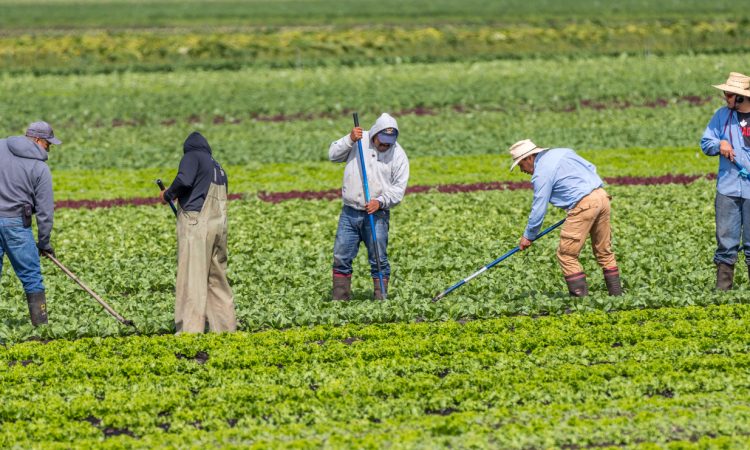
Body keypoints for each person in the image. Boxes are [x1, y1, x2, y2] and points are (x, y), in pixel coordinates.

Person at [510, 139, 622, 297]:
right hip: (602, 196)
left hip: (584, 204)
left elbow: (539, 208)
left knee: (567, 254)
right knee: (604, 250)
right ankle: (617, 296)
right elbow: (591, 168)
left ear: (529, 158)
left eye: (521, 165)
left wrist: (528, 236)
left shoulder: (541, 172)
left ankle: (579, 303)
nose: (522, 170)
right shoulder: (563, 151)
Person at [159, 131, 237, 333]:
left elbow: (184, 180)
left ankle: (190, 331)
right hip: (219, 226)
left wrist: (168, 194)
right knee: (217, 279)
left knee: (192, 277)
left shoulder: (192, 156)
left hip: (197, 224)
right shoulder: (218, 167)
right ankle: (225, 328)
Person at [328, 113, 410, 300]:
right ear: (374, 134)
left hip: (377, 214)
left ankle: (381, 300)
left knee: (379, 259)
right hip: (350, 212)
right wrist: (349, 139)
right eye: (382, 141)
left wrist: (380, 201)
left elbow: (398, 189)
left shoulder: (398, 155)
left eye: (389, 142)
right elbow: (333, 155)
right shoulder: (358, 140)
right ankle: (339, 300)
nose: (384, 145)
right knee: (341, 257)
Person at [0, 121, 61, 326]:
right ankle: (42, 328)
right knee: (31, 275)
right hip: (16, 225)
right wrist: (44, 243)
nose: (49, 148)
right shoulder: (40, 168)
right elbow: (45, 212)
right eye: (48, 143)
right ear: (37, 140)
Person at [700, 72, 750, 291]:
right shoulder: (721, 116)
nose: (724, 98)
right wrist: (719, 143)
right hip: (728, 189)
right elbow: (706, 142)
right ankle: (723, 293)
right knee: (726, 243)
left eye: (728, 95)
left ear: (740, 97)